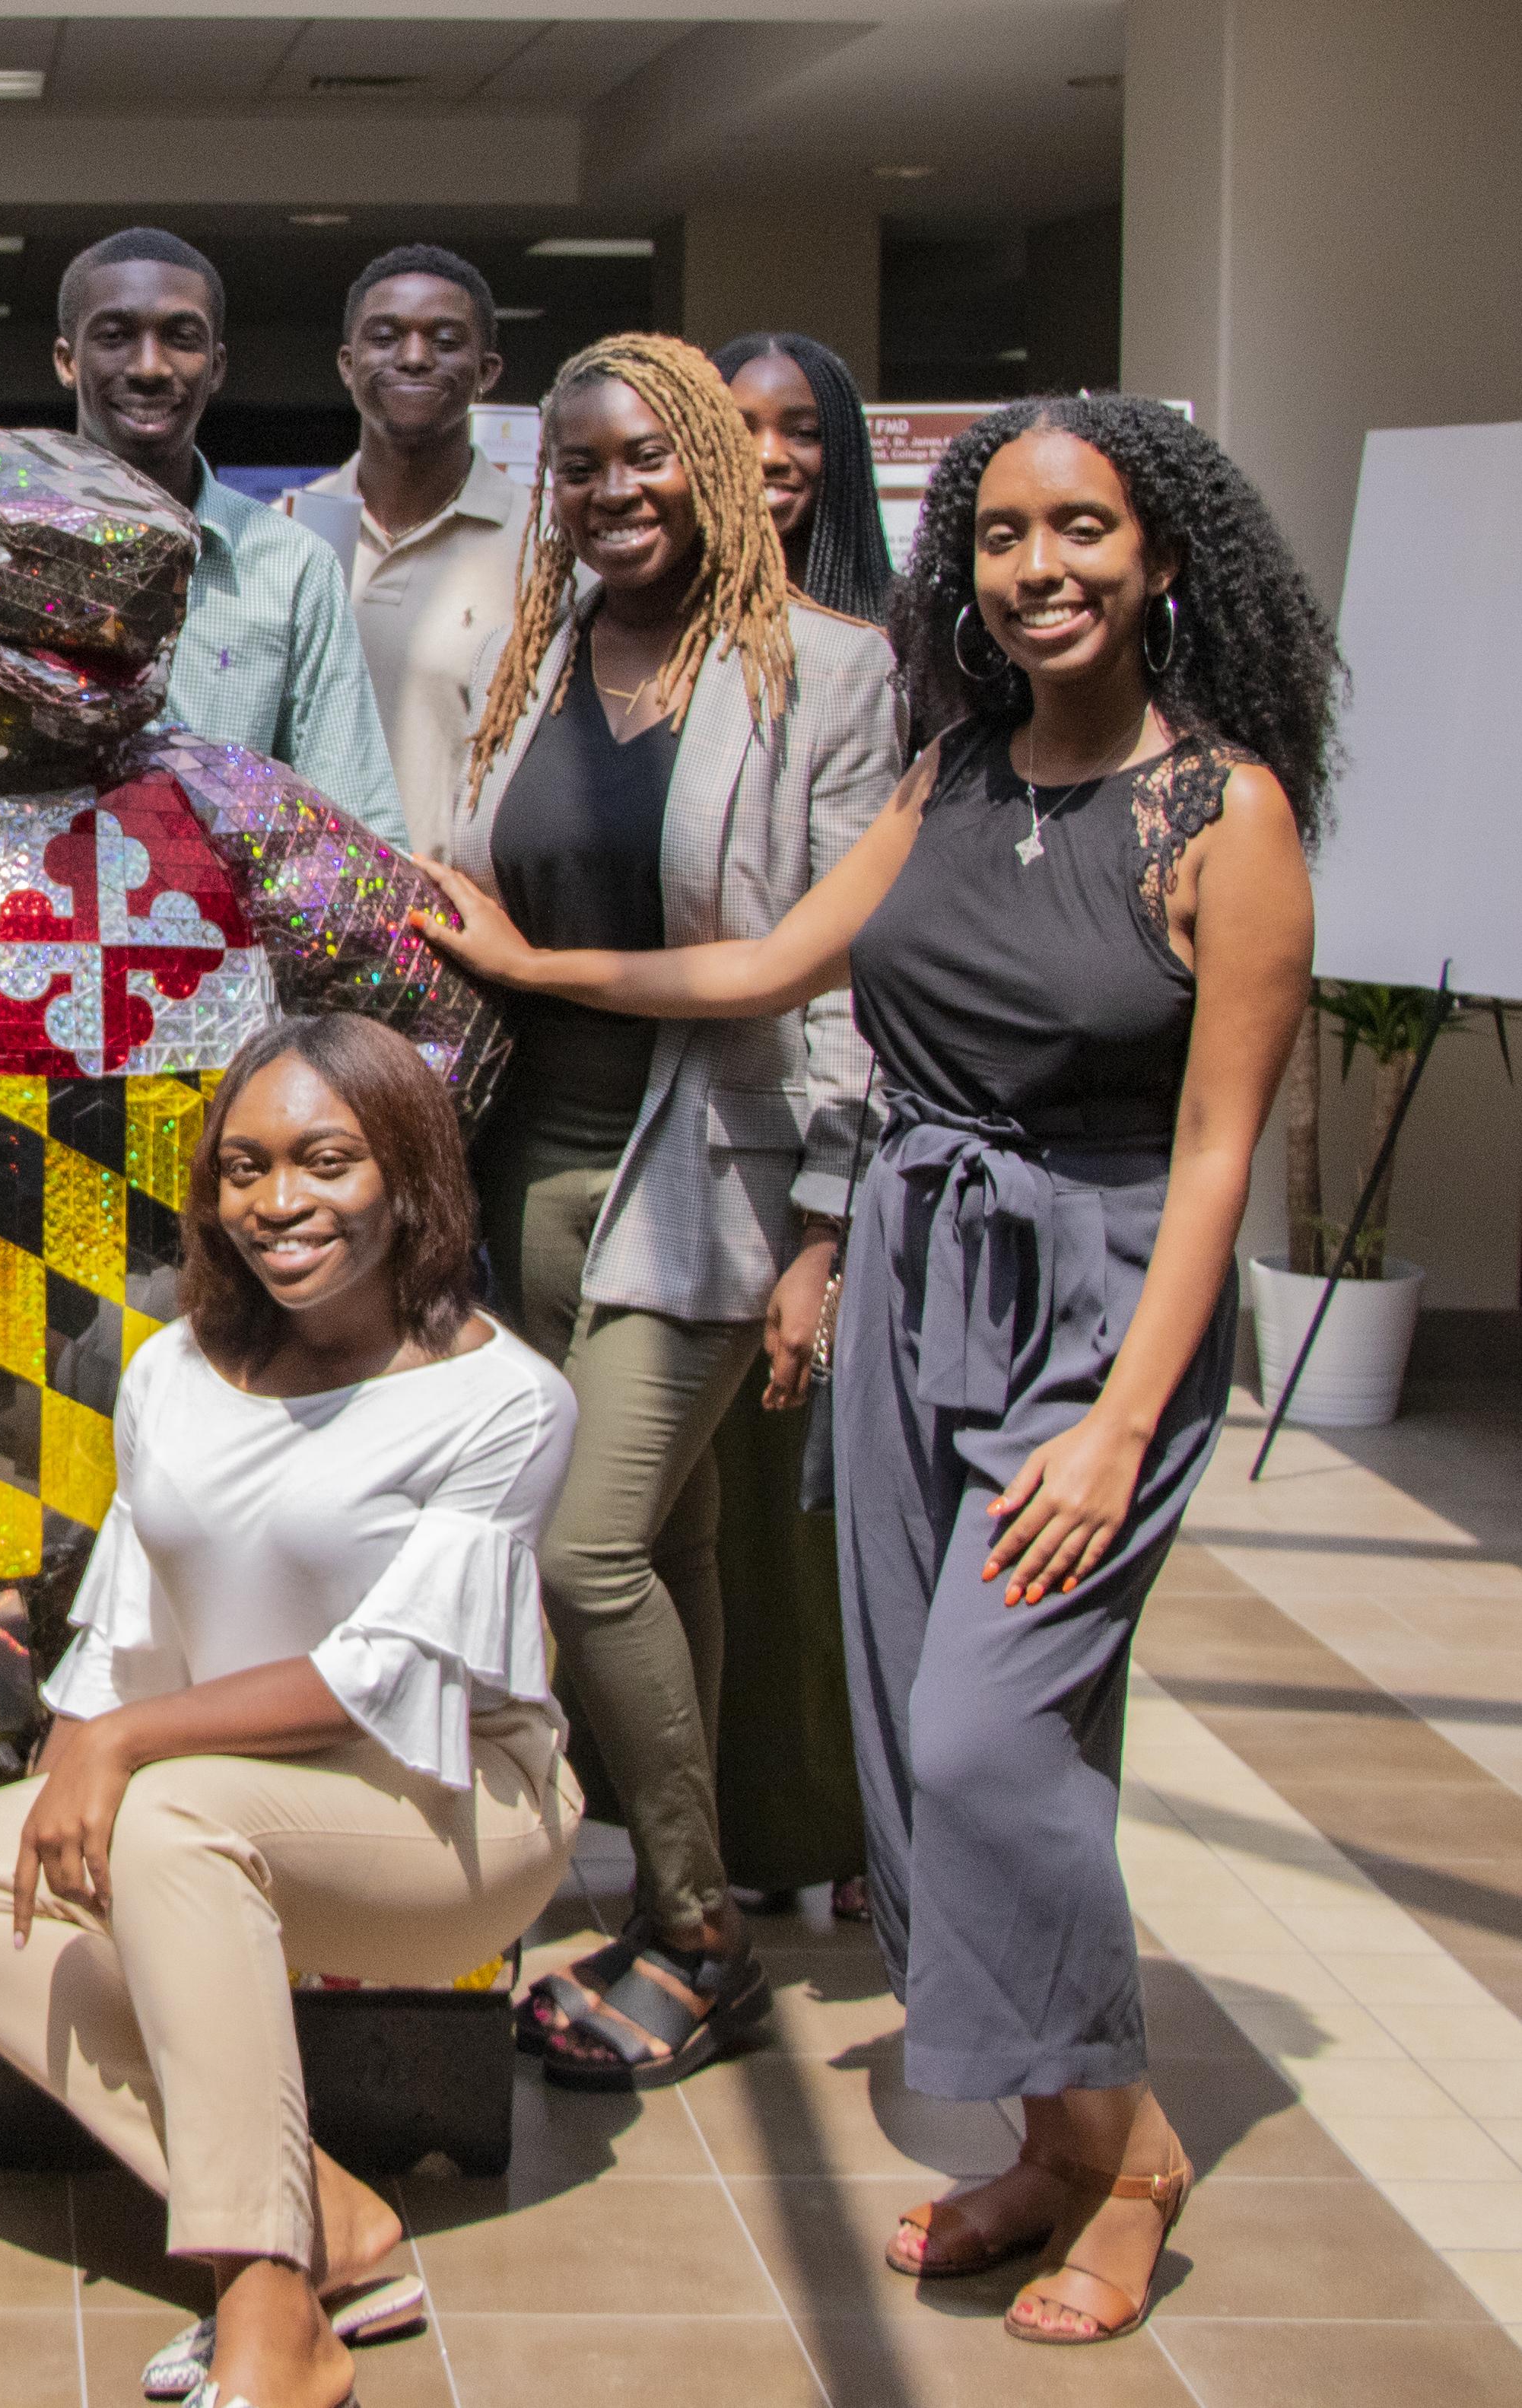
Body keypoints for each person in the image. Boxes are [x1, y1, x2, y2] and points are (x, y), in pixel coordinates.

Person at [422, 392, 1331, 2345]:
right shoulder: (949, 768)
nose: (1037, 571)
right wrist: (536, 967)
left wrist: (1113, 1422)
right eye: (1000, 537)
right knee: (921, 1744)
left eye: (1079, 532)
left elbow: (1212, 1163)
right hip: (921, 1268)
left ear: (1159, 557)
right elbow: (762, 969)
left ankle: (1137, 2146)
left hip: (1094, 1297)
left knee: (984, 1738)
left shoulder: (1224, 814)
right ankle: (1049, 2132)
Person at [0, 1014, 580, 2408]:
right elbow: (128, 1638)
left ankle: (270, 2317)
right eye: (244, 1168)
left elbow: (379, 1677)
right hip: (213, 1794)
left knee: (166, 1824)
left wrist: (129, 1752)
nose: (278, 1205)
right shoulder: (174, 1370)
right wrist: (79, 1764)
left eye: (324, 1161)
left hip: (451, 1810)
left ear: (408, 1172)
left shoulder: (505, 1402)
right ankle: (334, 2225)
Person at [440, 333, 894, 2089]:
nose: (612, 492)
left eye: (644, 458)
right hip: (524, 1171)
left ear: (705, 459)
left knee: (587, 1548)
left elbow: (846, 985)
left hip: (711, 1178)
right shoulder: (534, 658)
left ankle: (698, 1929)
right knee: (675, 1545)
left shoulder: (826, 676)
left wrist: (829, 1228)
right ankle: (656, 1894)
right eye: (578, 465)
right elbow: (477, 897)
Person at [0, 228, 405, 843]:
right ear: (67, 360)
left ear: (215, 368)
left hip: (217, 944)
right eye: (115, 336)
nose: (150, 366)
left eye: (181, 339)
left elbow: (360, 826)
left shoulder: (291, 565)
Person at [707, 327, 899, 1921]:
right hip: (644, 1137)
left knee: (793, 1527)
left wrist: (829, 1216)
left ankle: (819, 1827)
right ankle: (711, 1833)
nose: (769, 456)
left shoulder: (866, 658)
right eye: (737, 424)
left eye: (799, 429)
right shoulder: (605, 642)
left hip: (798, 1139)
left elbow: (852, 971)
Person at [303, 244, 526, 857]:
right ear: (348, 364)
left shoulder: (551, 547)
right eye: (386, 336)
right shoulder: (285, 536)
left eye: (446, 340)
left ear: (488, 371)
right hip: (303, 919)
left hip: (473, 928)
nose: (415, 356)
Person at [714, 332, 897, 622]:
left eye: (804, 433)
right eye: (737, 432)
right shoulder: (656, 624)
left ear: (844, 452)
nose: (767, 457)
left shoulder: (913, 623)